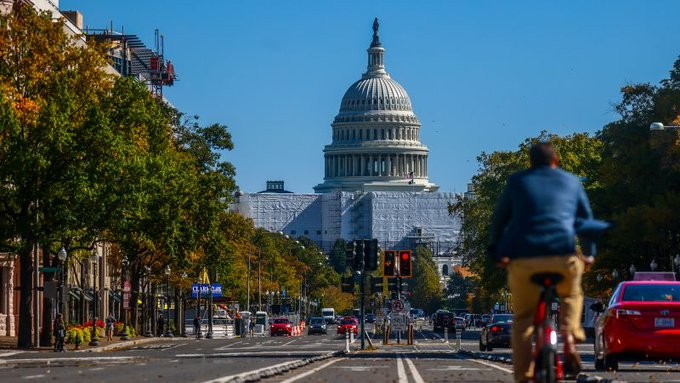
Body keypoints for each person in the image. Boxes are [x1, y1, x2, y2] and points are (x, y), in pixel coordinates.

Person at [488, 141, 594, 383]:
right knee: (571, 295)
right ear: (555, 162)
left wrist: (496, 252)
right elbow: (586, 223)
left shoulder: (517, 182)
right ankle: (569, 336)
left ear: (531, 163)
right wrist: (589, 254)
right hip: (563, 259)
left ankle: (524, 375)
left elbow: (499, 221)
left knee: (524, 319)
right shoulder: (572, 181)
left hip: (525, 261)